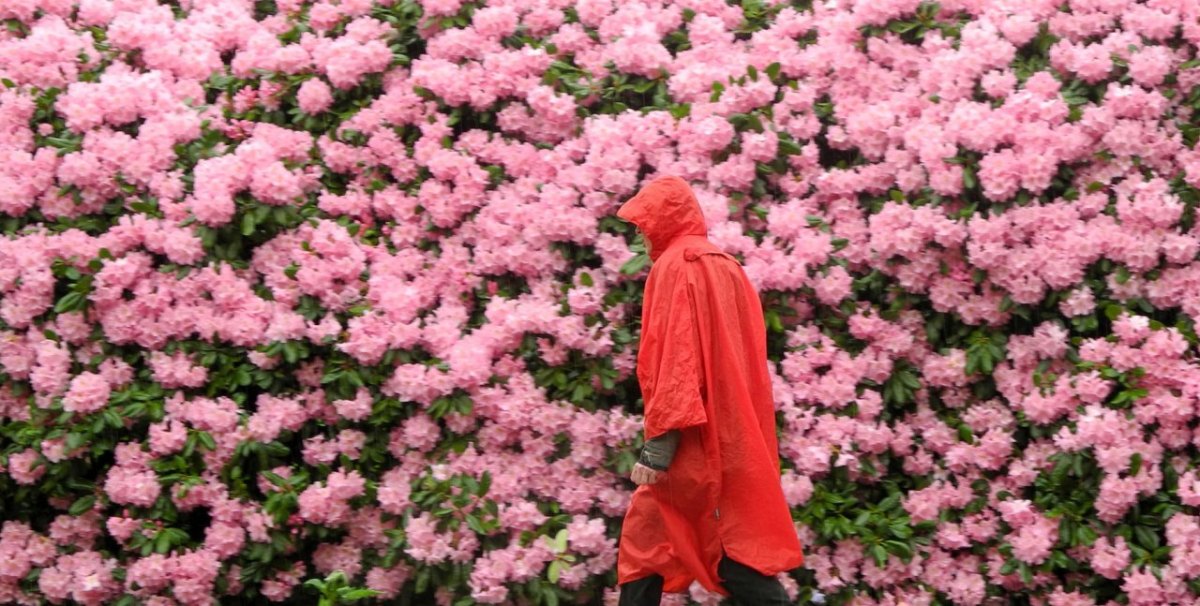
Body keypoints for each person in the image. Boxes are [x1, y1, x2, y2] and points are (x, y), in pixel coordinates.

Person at [614, 175, 804, 605]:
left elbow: (678, 359)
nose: (640, 232)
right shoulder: (727, 266)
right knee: (660, 541)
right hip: (733, 430)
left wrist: (660, 445)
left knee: (715, 546)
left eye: (644, 222)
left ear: (665, 220)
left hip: (694, 439)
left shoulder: (674, 268)